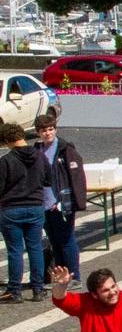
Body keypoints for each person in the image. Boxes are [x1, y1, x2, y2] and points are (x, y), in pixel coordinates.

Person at [35, 115, 85, 285]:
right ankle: (62, 275)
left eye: (50, 129)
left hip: (61, 203)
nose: (47, 133)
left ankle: (74, 276)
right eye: (44, 130)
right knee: (54, 241)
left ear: (55, 130)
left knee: (66, 239)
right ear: (38, 133)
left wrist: (73, 201)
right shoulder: (38, 150)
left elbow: (76, 177)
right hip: (44, 204)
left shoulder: (65, 149)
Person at [0, 122, 46, 304]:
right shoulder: (40, 156)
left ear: (7, 140)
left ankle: (15, 291)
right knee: (35, 248)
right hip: (35, 206)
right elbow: (48, 180)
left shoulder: (5, 161)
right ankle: (38, 289)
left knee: (15, 250)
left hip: (11, 209)